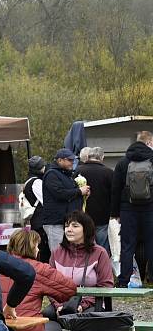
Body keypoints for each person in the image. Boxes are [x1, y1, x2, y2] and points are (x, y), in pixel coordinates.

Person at [0, 230, 76, 331]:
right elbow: (70, 289)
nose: (38, 249)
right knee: (55, 329)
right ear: (31, 248)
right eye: (37, 246)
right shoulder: (40, 269)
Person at [47, 210, 113, 317]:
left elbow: (106, 285)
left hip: (92, 302)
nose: (69, 229)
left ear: (86, 229)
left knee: (86, 318)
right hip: (63, 302)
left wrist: (83, 305)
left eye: (75, 226)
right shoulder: (57, 252)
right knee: (46, 316)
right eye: (66, 226)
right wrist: (58, 305)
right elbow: (50, 284)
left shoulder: (100, 253)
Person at [110, 131, 153, 287]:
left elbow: (115, 189)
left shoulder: (123, 162)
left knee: (127, 245)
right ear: (148, 142)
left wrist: (115, 213)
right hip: (150, 208)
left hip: (128, 208)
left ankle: (124, 280)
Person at [42, 148, 89, 252]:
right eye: (69, 160)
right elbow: (60, 193)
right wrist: (79, 191)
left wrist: (83, 194)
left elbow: (71, 193)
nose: (72, 162)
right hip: (55, 222)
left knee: (68, 254)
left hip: (66, 221)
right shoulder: (52, 174)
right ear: (59, 160)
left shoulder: (66, 175)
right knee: (58, 254)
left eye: (73, 160)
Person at [77, 146, 113, 255]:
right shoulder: (109, 172)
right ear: (102, 157)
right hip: (103, 215)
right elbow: (114, 194)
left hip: (83, 215)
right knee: (102, 245)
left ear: (88, 157)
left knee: (85, 244)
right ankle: (102, 266)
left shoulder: (78, 171)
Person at [22, 156, 50, 263]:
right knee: (43, 249)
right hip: (41, 220)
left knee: (38, 247)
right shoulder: (37, 182)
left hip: (35, 220)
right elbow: (45, 200)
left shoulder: (28, 181)